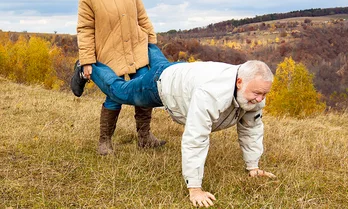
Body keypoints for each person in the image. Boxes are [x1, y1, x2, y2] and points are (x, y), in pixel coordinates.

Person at [87, 43, 277, 207]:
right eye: (256, 93)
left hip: (181, 71)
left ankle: (145, 40)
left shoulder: (252, 93)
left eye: (264, 94)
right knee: (119, 91)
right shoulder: (211, 94)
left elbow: (251, 129)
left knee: (162, 64)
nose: (259, 99)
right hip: (160, 85)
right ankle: (87, 66)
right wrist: (195, 188)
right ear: (239, 82)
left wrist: (253, 167)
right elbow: (196, 138)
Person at [71, 0, 165, 155]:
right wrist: (86, 60)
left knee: (145, 87)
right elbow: (85, 28)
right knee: (115, 94)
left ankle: (145, 137)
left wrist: (151, 39)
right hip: (109, 51)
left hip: (136, 47)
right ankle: (104, 142)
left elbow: (141, 14)